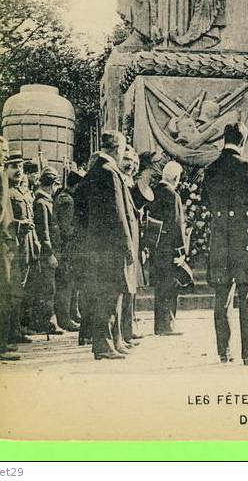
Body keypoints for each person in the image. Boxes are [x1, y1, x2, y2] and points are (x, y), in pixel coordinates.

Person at [202, 123, 248, 364]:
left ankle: (224, 351)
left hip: (220, 239)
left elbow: (205, 201)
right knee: (246, 293)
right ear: (242, 141)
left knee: (222, 296)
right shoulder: (246, 166)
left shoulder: (211, 169)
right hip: (243, 240)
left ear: (224, 139)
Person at [74, 130, 137, 360]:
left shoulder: (98, 171)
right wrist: (127, 245)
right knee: (108, 294)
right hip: (109, 247)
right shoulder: (107, 172)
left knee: (115, 293)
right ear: (117, 149)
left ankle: (115, 339)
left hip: (101, 245)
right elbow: (118, 214)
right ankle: (103, 344)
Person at [147, 160, 187, 335]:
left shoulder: (153, 192)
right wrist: (181, 252)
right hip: (170, 249)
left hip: (156, 247)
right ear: (175, 178)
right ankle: (167, 326)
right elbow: (177, 225)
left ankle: (159, 326)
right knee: (170, 287)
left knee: (160, 287)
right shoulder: (173, 196)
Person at [7, 151, 39, 341]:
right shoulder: (7, 192)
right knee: (13, 290)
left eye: (20, 167)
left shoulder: (25, 192)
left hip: (27, 245)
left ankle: (18, 328)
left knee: (23, 288)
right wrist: (20, 224)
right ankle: (11, 332)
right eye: (14, 167)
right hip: (13, 246)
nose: (18, 170)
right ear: (6, 169)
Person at [0, 140, 19, 360]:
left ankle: (0, 342)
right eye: (3, 153)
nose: (5, 157)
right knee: (1, 295)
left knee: (3, 294)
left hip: (3, 243)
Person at [116, 144, 144, 350]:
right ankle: (124, 331)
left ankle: (129, 326)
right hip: (123, 242)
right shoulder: (118, 181)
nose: (131, 165)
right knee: (124, 287)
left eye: (134, 163)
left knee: (131, 286)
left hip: (134, 240)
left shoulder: (130, 182)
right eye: (127, 160)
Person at [31, 166, 63, 334]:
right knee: (47, 288)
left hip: (51, 252)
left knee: (49, 287)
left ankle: (48, 321)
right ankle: (47, 322)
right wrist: (49, 253)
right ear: (52, 185)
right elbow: (43, 232)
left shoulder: (45, 201)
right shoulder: (42, 203)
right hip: (46, 254)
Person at [53, 168, 83, 333]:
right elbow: (66, 228)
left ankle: (73, 313)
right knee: (66, 283)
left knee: (71, 282)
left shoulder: (63, 196)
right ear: (76, 185)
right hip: (67, 248)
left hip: (66, 248)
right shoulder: (68, 201)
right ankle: (65, 319)